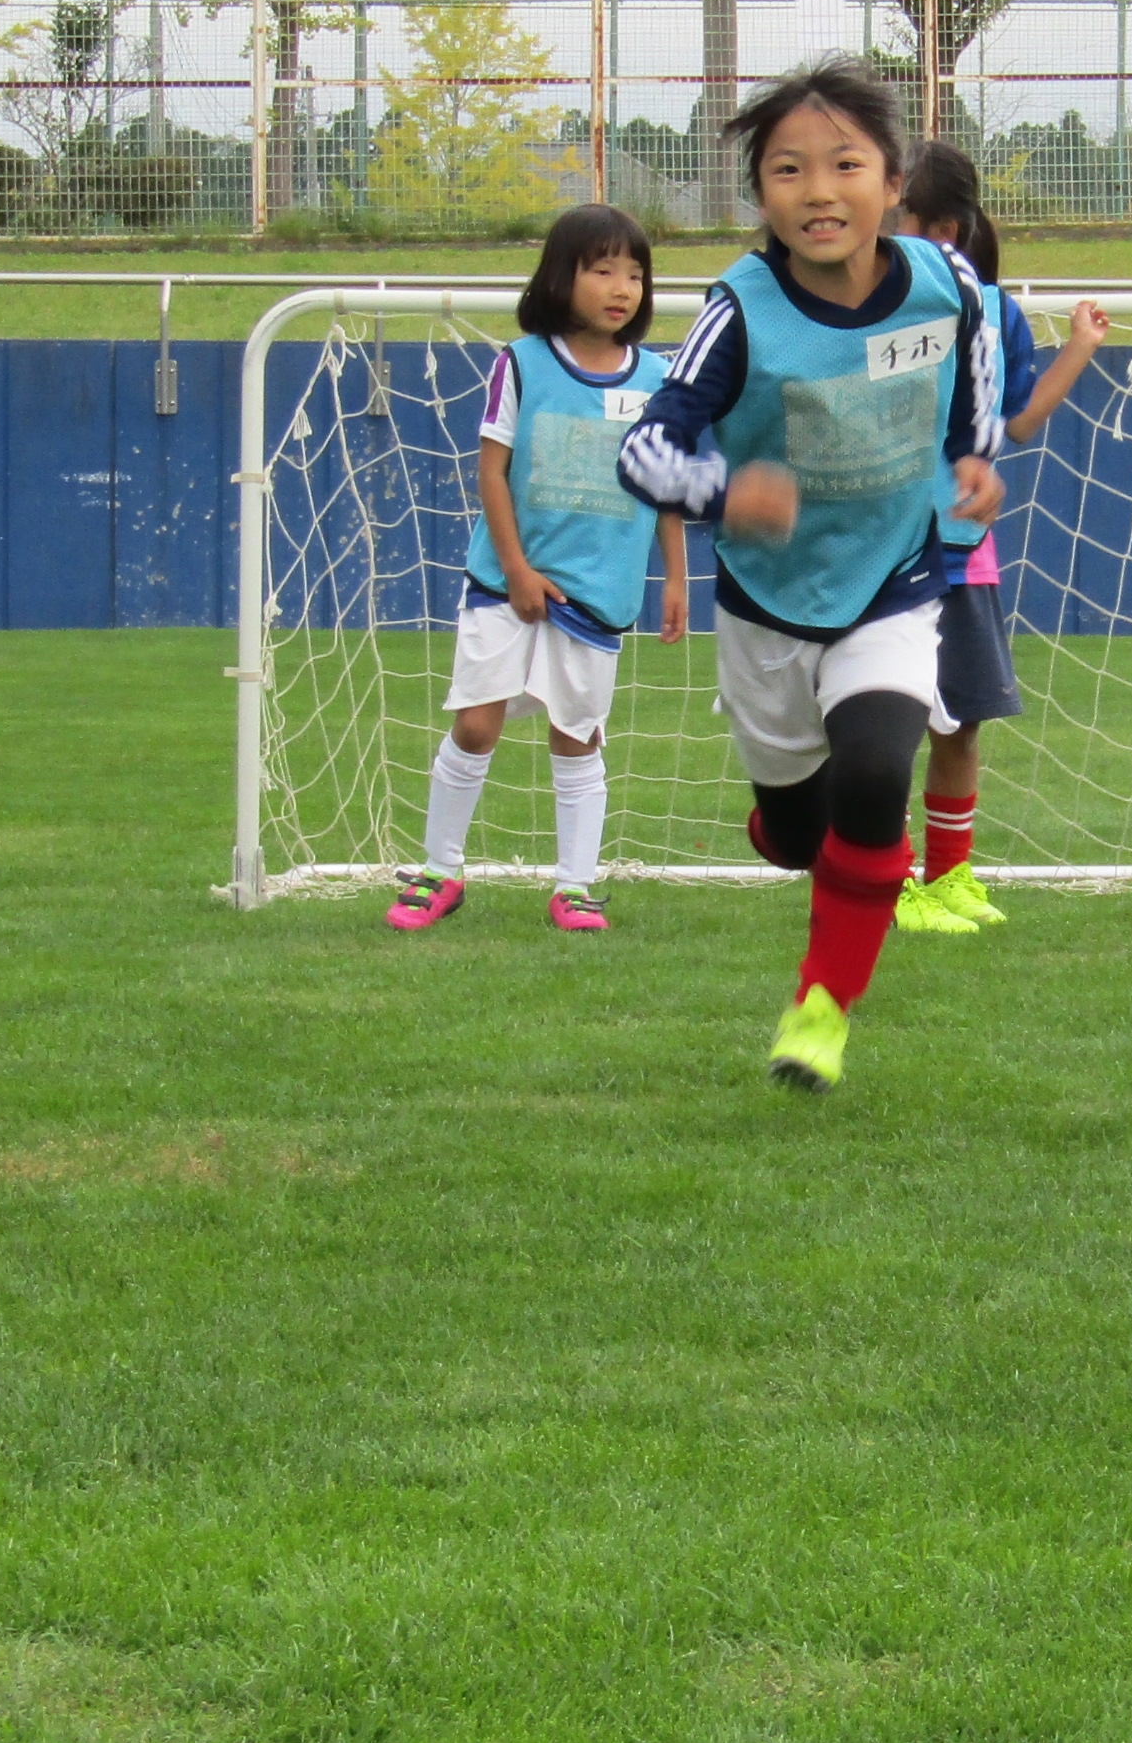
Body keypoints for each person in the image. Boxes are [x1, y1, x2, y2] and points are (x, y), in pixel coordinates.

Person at [617, 57, 1001, 1093]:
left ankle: (821, 1011)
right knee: (794, 838)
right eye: (788, 170)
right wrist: (722, 493)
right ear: (761, 196)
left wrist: (974, 459)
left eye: (845, 165)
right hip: (769, 606)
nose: (818, 190)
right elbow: (644, 453)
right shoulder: (740, 312)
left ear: (891, 184)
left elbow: (976, 372)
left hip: (895, 579)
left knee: (880, 775)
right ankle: (785, 822)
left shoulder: (946, 283)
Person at [387, 204, 689, 933]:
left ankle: (575, 887)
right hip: (506, 585)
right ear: (563, 276)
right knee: (477, 725)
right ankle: (440, 871)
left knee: (577, 735)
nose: (622, 287)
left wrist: (675, 576)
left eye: (635, 273)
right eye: (603, 269)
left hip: (599, 593)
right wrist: (518, 568)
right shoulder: (520, 364)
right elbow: (493, 473)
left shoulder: (658, 377)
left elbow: (665, 485)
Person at [887, 138, 1107, 934]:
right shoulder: (860, 306)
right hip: (882, 548)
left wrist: (1079, 347)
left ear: (939, 226)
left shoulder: (994, 311)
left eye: (897, 208)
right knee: (885, 721)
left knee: (963, 719)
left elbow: (1018, 420)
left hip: (964, 553)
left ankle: (947, 880)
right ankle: (884, 883)